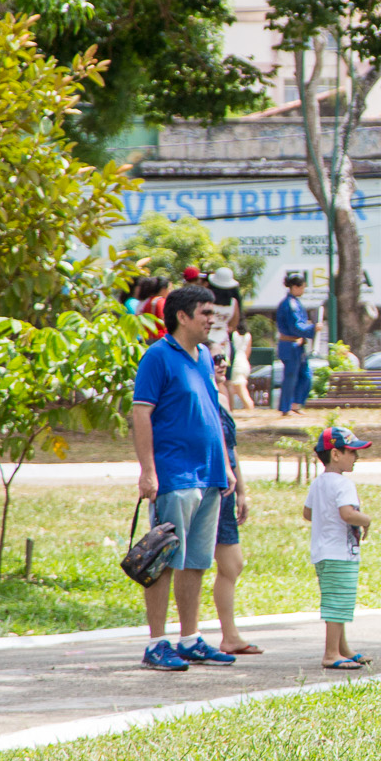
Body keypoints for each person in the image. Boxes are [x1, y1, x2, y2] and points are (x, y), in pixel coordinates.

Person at [130, 284, 237, 671]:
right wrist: (148, 471)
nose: (213, 319)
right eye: (206, 313)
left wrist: (224, 464)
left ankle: (189, 638)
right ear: (183, 316)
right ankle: (156, 642)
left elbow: (212, 409)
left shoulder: (205, 356)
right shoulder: (158, 356)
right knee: (163, 557)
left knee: (196, 561)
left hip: (208, 472)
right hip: (175, 473)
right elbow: (142, 413)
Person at [303, 425, 373, 670]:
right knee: (338, 603)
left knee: (336, 600)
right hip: (340, 553)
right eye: (352, 452)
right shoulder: (344, 484)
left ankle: (343, 648)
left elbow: (308, 513)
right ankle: (331, 653)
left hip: (322, 552)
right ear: (335, 454)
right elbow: (347, 513)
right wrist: (365, 520)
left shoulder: (319, 482)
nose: (356, 457)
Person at [211, 402, 258, 655]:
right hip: (205, 484)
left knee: (233, 563)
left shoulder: (222, 399)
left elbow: (231, 449)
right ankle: (188, 635)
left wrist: (241, 490)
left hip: (226, 489)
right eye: (215, 359)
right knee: (189, 564)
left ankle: (230, 636)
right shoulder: (197, 388)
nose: (220, 364)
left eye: (223, 360)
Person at [205, 267, 247, 413]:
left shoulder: (207, 301)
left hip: (208, 340)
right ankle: (229, 411)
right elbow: (233, 324)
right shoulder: (233, 302)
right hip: (224, 341)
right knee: (226, 379)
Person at [274, 271, 316, 417]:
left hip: (298, 344)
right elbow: (295, 327)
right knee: (291, 376)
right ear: (295, 287)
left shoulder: (295, 303)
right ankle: (286, 408)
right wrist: (312, 329)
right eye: (303, 287)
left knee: (306, 375)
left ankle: (296, 404)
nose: (303, 290)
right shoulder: (289, 304)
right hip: (289, 344)